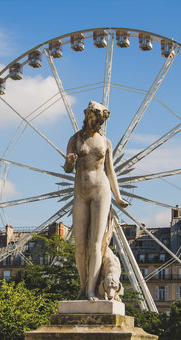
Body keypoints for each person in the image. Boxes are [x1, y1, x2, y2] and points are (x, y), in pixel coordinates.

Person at [63, 101, 128, 300]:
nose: (96, 123)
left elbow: (111, 171)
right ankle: (83, 288)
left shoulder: (105, 142)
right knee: (80, 245)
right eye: (93, 119)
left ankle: (91, 289)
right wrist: (70, 161)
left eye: (99, 121)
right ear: (87, 116)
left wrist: (118, 196)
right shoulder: (75, 139)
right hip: (80, 193)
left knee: (96, 244)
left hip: (101, 190)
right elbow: (67, 168)